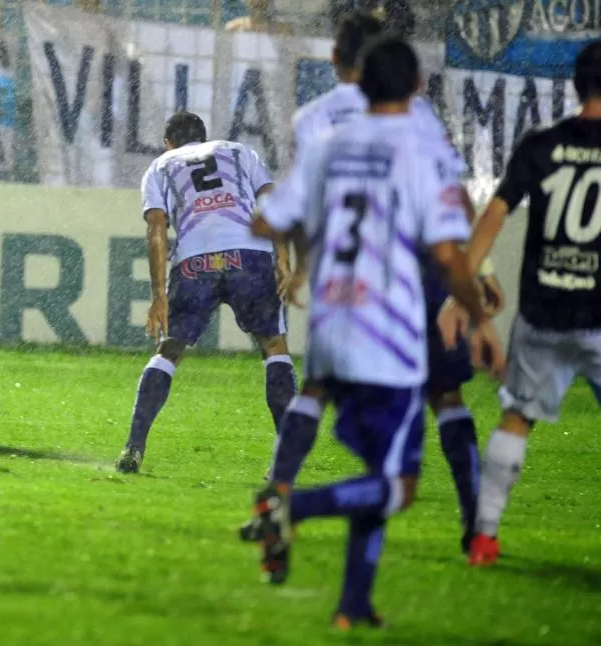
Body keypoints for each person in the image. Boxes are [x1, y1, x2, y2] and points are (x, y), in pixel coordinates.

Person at [241, 37, 505, 629]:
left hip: (333, 326)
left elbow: (266, 219)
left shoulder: (327, 144)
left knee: (377, 473)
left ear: (359, 84)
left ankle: (352, 605)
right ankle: (290, 506)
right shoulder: (419, 151)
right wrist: (481, 320)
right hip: (389, 336)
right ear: (414, 87)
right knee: (399, 486)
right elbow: (445, 248)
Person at [440, 41, 601, 566]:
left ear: (575, 85)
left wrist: (463, 293)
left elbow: (491, 219)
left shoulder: (542, 145)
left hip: (544, 309)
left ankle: (484, 535)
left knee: (516, 418)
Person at [114, 111, 297, 473]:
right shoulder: (239, 151)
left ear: (169, 142)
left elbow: (156, 228)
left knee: (170, 350)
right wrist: (283, 261)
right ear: (204, 137)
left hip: (195, 262)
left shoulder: (161, 165)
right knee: (274, 346)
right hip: (250, 255)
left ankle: (134, 447)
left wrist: (159, 295)